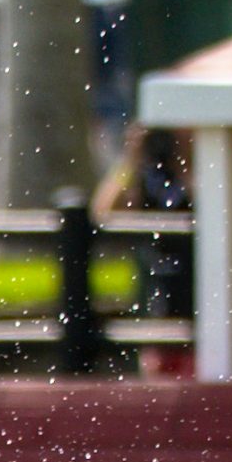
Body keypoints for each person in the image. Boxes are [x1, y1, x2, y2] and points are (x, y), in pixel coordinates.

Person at [91, 126, 193, 380]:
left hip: (194, 299)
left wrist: (187, 155)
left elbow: (209, 204)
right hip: (156, 297)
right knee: (158, 380)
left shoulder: (198, 169)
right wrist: (130, 159)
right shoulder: (145, 178)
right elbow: (103, 214)